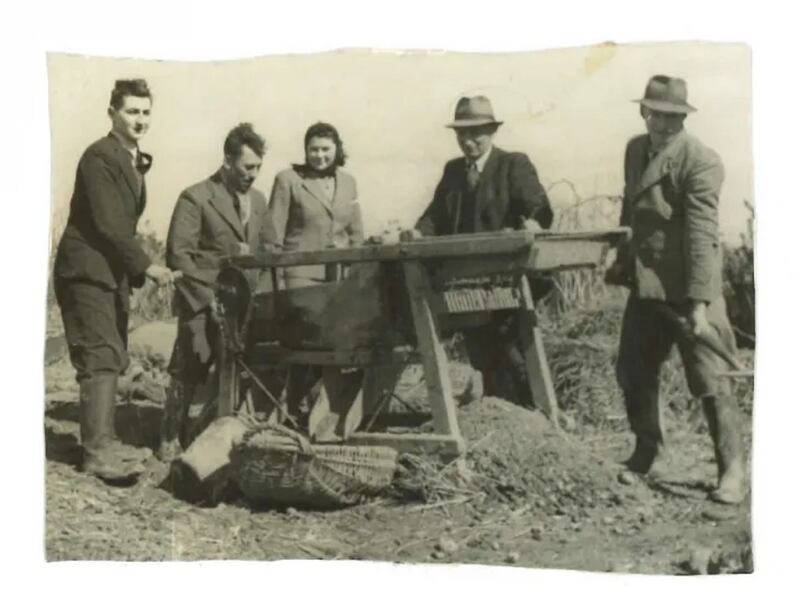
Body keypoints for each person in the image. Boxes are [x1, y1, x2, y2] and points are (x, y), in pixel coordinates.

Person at [607, 75, 746, 504]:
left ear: (683, 118)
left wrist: (701, 304)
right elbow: (633, 211)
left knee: (710, 379)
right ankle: (649, 452)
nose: (664, 126)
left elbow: (702, 236)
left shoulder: (701, 161)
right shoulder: (635, 150)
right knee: (634, 370)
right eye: (657, 115)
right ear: (644, 112)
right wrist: (622, 261)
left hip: (689, 288)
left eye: (674, 118)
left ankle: (732, 471)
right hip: (647, 286)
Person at [53, 79, 176, 481]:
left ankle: (102, 443)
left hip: (108, 272)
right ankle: (96, 453)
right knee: (99, 355)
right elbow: (108, 223)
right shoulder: (99, 156)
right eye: (131, 112)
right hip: (86, 270)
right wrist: (147, 266)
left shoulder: (130, 158)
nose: (139, 120)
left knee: (110, 354)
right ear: (112, 113)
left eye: (145, 112)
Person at [415, 95, 554, 405]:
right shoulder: (453, 172)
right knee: (482, 352)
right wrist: (416, 232)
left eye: (476, 133)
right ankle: (499, 415)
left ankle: (533, 415)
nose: (469, 141)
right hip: (467, 283)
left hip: (508, 279)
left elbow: (539, 206)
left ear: (492, 131)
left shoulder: (512, 164)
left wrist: (531, 223)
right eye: (462, 134)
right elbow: (433, 218)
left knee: (514, 351)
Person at [159, 123, 273, 461]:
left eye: (258, 168)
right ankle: (168, 434)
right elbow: (179, 254)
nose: (253, 175)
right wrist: (210, 300)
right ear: (227, 161)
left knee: (237, 372)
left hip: (244, 304)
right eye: (247, 167)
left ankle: (213, 435)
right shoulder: (195, 197)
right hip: (203, 300)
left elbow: (266, 248)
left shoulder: (259, 200)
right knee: (190, 364)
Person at [266, 122, 364, 424]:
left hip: (339, 278)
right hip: (301, 276)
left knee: (338, 343)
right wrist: (279, 280)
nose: (319, 156)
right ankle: (290, 408)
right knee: (308, 344)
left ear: (337, 150)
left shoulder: (348, 182)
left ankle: (327, 415)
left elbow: (356, 233)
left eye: (325, 149)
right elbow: (273, 236)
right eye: (314, 149)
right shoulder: (288, 180)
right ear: (305, 150)